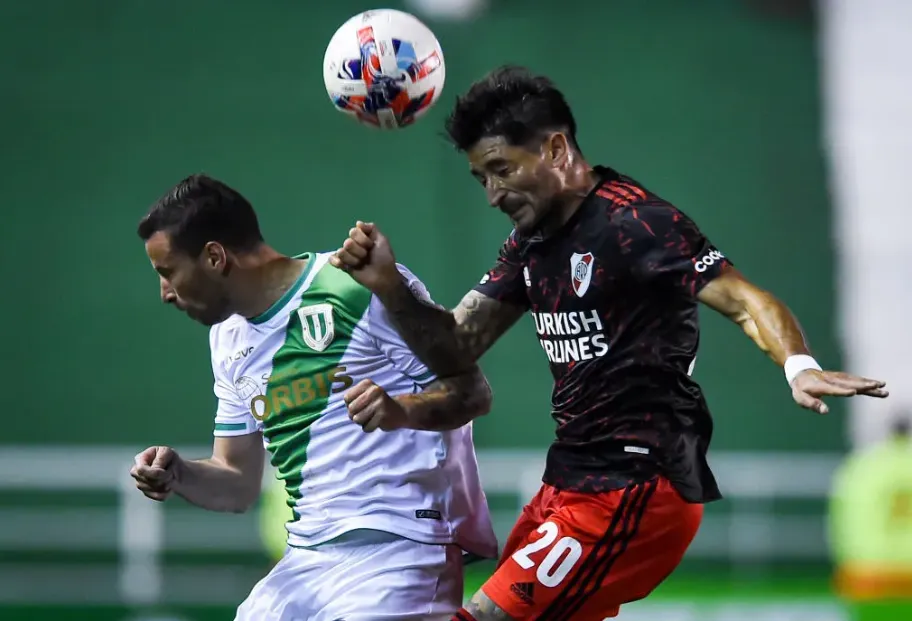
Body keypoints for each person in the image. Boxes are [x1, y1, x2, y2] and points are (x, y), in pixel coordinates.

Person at [330, 66, 890, 621]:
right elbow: (455, 347)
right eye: (481, 179)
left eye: (501, 170)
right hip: (570, 482)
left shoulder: (637, 223)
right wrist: (388, 284)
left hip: (637, 485)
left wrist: (799, 365)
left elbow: (746, 300)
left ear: (553, 148)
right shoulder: (530, 243)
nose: (492, 194)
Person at [129, 173, 498, 621]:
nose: (165, 293)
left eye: (167, 273)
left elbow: (471, 393)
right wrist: (179, 475)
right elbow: (237, 482)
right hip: (305, 561)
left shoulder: (354, 283)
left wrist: (402, 411)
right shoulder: (227, 340)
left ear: (213, 256)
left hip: (401, 553)